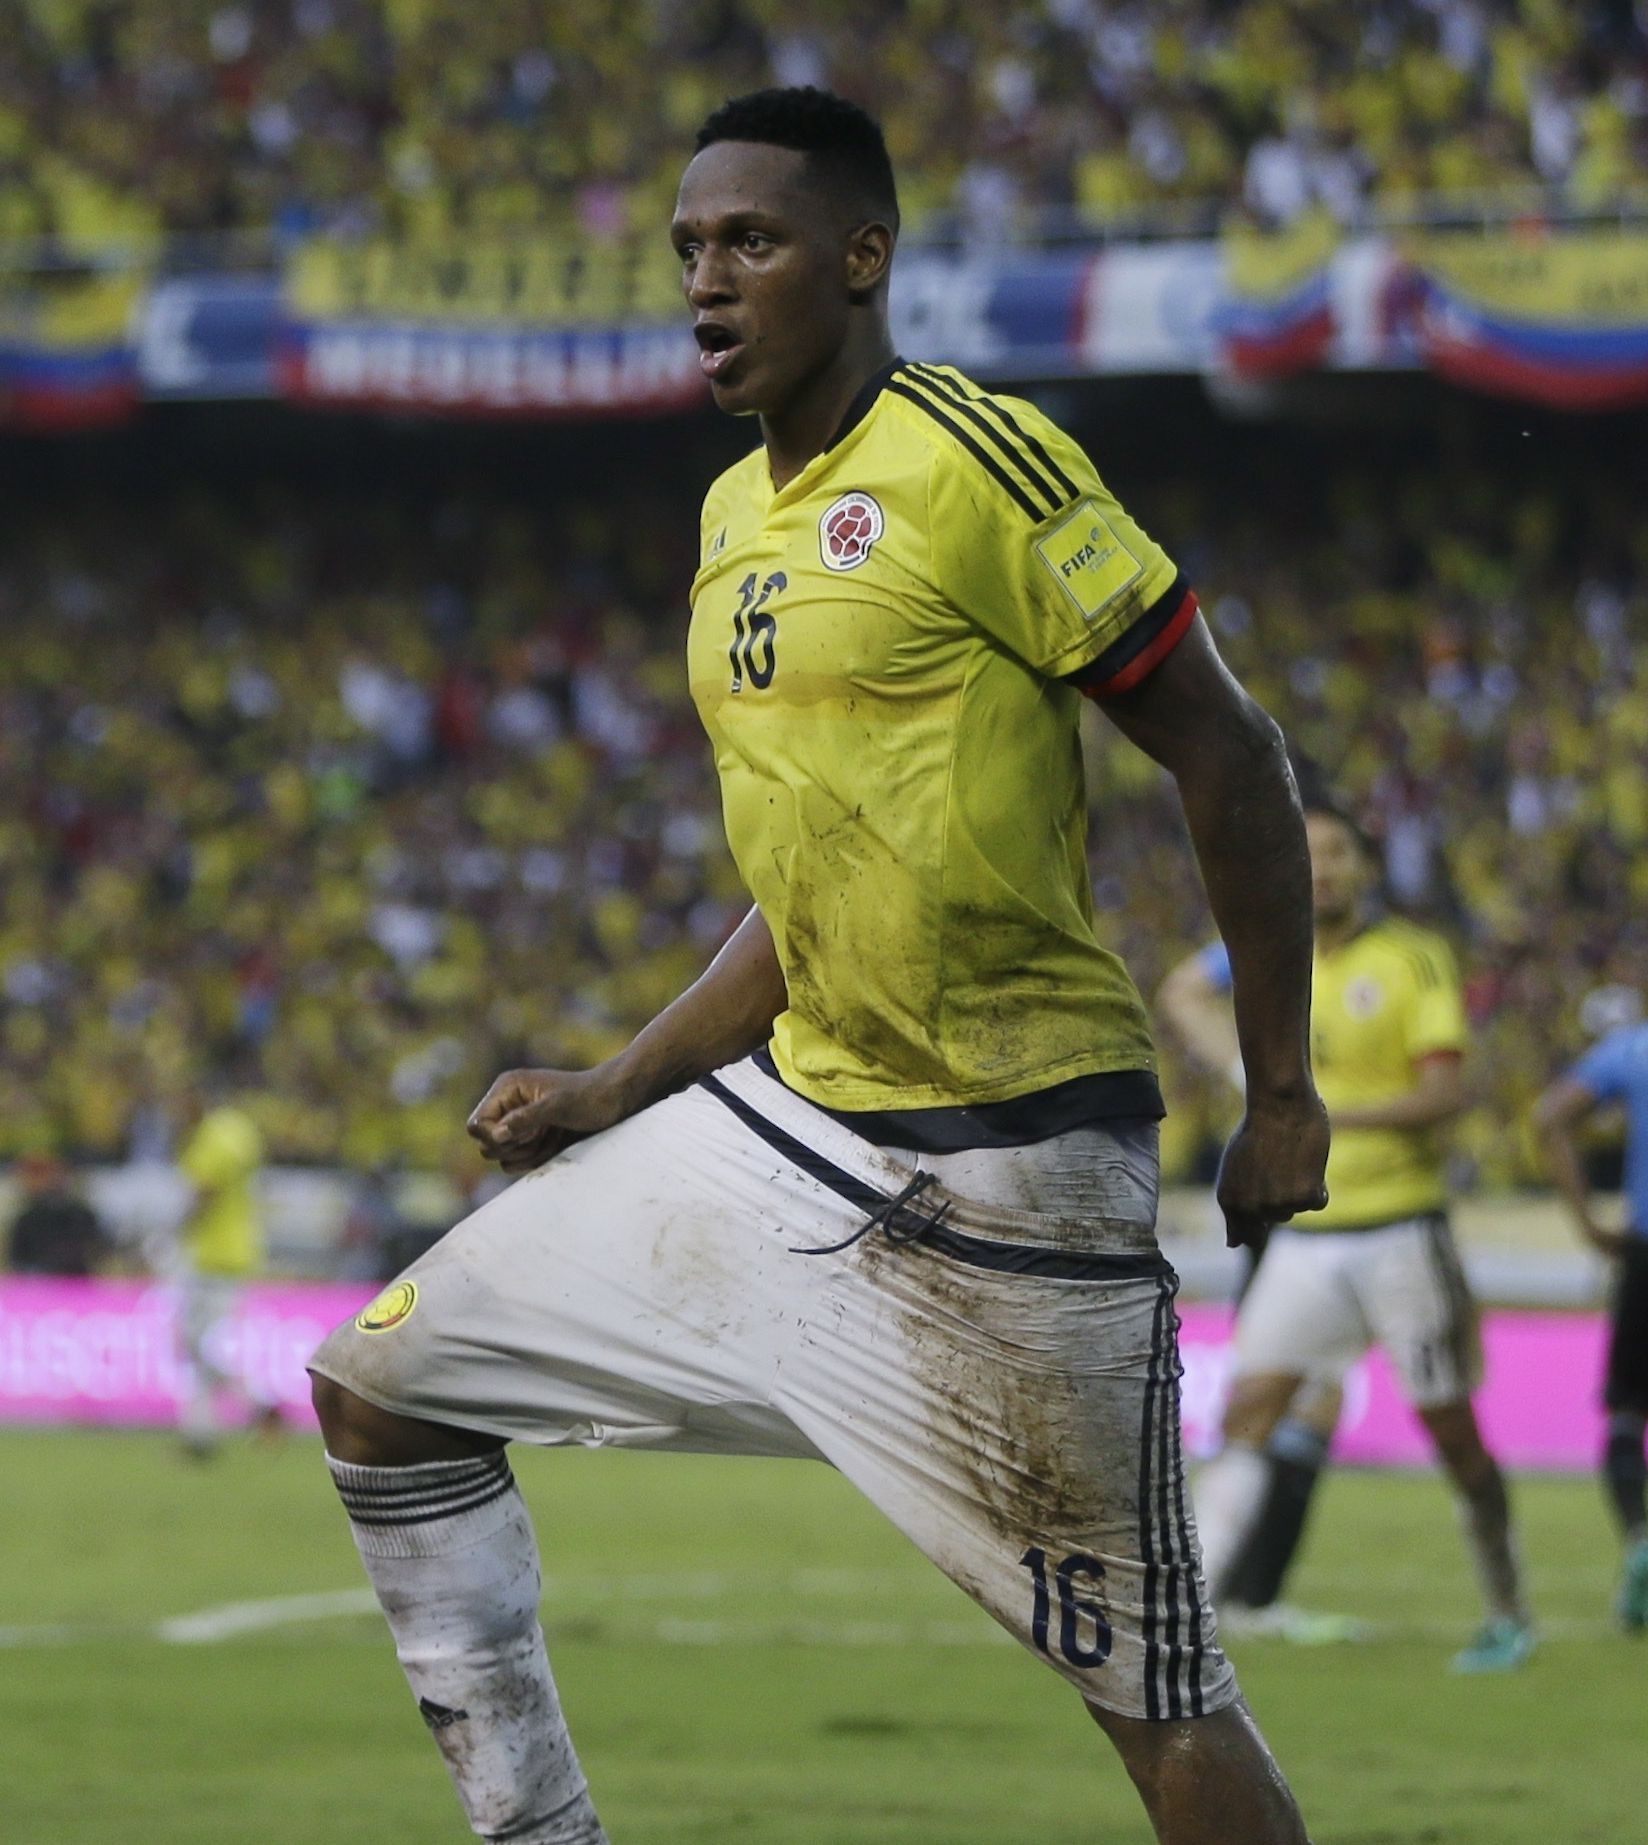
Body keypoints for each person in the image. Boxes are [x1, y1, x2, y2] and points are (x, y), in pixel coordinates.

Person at [308, 87, 1330, 1845]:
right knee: (381, 1388)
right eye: (689, 248)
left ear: (862, 258)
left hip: (1014, 1165)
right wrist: (616, 1085)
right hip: (793, 1127)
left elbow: (1231, 755)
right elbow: (812, 880)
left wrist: (1284, 1089)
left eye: (751, 242)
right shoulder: (730, 519)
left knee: (1162, 1707)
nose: (706, 281)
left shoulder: (978, 461)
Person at [1192, 796, 1533, 1673]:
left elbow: (1446, 1091)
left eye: (1339, 852)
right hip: (1307, 1236)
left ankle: (1507, 1609)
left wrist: (1327, 1113)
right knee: (1247, 1414)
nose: (1325, 869)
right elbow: (1182, 995)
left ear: (1367, 869)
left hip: (1401, 1232)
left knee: (1452, 1432)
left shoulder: (1413, 957)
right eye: (1308, 853)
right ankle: (1190, 1612)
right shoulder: (1276, 957)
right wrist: (1245, 1077)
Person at [1157, 945, 1348, 1637]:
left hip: (1342, 1198)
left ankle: (1241, 1597)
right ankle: (1222, 1596)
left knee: (1313, 1397)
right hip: (1295, 1197)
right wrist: (1256, 1077)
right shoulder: (1280, 932)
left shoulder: (1365, 959)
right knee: (1282, 1397)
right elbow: (1183, 989)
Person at [1533, 1010, 1648, 1630]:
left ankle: (1641, 1546)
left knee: (1628, 1412)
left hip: (1644, 1252)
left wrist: (1586, 1222)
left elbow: (1550, 1117)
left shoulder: (1634, 1050)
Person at [169, 1090, 278, 1457]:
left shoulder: (209, 1138)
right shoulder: (240, 1130)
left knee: (195, 1345)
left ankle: (257, 1404)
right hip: (239, 1249)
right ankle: (200, 1433)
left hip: (209, 1255)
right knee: (199, 1344)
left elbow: (203, 1191)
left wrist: (175, 1231)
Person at [4, 1156, 109, 1276]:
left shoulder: (83, 1215)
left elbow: (99, 1251)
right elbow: (17, 1258)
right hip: (38, 1279)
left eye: (61, 1176)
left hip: (77, 1278)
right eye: (52, 1177)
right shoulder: (27, 1218)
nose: (56, 1182)